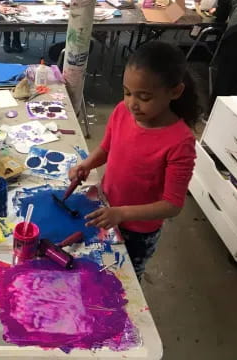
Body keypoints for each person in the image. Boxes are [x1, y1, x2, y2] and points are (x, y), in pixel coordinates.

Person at [69, 41, 201, 280]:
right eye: (127, 92)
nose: (132, 103)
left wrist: (122, 214)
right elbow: (107, 148)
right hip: (106, 208)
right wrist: (86, 164)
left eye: (144, 97)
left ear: (175, 92)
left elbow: (173, 204)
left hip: (139, 232)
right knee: (96, 271)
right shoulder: (122, 111)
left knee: (124, 280)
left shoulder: (180, 142)